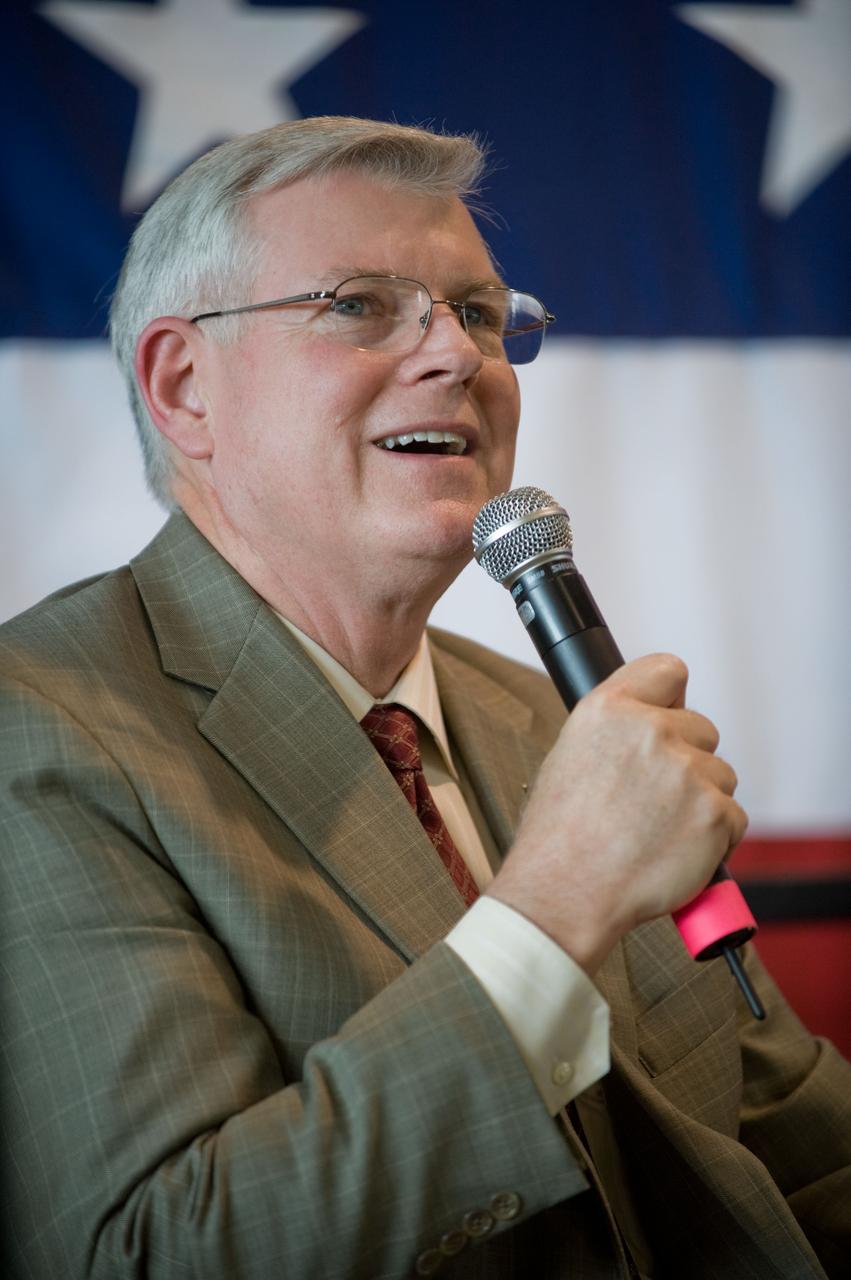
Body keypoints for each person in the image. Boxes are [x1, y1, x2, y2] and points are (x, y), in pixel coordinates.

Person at [1, 117, 848, 1280]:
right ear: (184, 385)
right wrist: (550, 910)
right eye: (359, 304)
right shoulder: (42, 726)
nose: (457, 356)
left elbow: (796, 1142)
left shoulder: (543, 717)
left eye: (482, 314)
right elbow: (161, 1250)